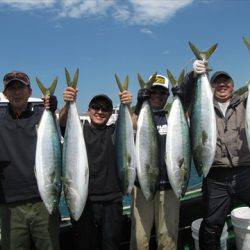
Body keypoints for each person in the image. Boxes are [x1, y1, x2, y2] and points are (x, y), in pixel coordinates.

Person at [182, 60, 250, 250]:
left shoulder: (244, 101)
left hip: (245, 170)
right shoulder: (200, 105)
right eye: (217, 82)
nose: (222, 85)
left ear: (233, 85)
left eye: (226, 82)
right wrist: (192, 76)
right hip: (215, 176)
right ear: (211, 87)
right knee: (211, 225)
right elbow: (183, 97)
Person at [59, 85, 132, 250]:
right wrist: (68, 103)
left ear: (110, 113)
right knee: (85, 245)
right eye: (96, 107)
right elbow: (62, 122)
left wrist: (127, 104)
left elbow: (133, 125)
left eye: (105, 109)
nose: (100, 111)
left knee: (111, 245)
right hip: (84, 201)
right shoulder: (78, 132)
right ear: (89, 110)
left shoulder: (116, 132)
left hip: (112, 202)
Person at [0, 71, 60, 250]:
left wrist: (56, 108)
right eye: (12, 89)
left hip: (43, 200)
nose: (17, 92)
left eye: (21, 88)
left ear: (29, 91)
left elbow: (63, 123)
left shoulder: (42, 116)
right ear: (5, 94)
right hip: (10, 205)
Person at [130, 74, 180, 250]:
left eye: (162, 93)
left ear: (168, 96)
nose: (157, 96)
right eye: (153, 92)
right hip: (141, 188)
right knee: (139, 239)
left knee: (168, 239)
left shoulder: (173, 118)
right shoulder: (138, 117)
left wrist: (182, 95)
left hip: (169, 188)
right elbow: (130, 126)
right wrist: (139, 103)